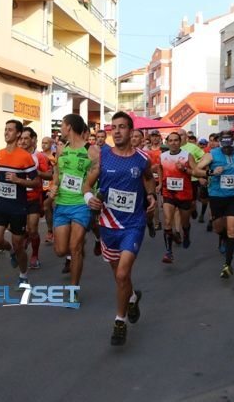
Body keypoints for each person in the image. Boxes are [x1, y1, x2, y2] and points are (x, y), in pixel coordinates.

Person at [84, 111, 156, 346]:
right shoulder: (103, 156)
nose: (116, 131)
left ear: (131, 131)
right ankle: (132, 297)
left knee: (123, 274)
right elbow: (87, 184)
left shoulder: (142, 158)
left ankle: (119, 321)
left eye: (122, 127)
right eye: (113, 127)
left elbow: (148, 178)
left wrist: (151, 194)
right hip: (107, 225)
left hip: (133, 224)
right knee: (119, 277)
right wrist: (88, 199)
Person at [193, 130, 234, 278]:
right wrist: (211, 173)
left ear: (233, 142)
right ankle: (222, 237)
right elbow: (196, 170)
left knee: (233, 229)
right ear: (220, 144)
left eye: (229, 146)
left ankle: (228, 264)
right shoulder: (212, 154)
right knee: (218, 227)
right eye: (224, 146)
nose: (227, 149)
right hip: (217, 196)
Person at [49, 114, 98, 292]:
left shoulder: (91, 151)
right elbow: (57, 172)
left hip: (80, 204)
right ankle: (78, 248)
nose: (60, 129)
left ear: (69, 127)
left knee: (74, 248)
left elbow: (97, 176)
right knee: (61, 250)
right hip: (62, 203)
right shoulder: (61, 149)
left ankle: (73, 290)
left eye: (61, 125)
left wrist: (91, 195)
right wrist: (54, 186)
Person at [0, 120, 40, 287]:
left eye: (10, 130)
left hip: (18, 207)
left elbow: (36, 182)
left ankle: (23, 274)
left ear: (18, 133)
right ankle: (10, 250)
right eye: (5, 129)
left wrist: (18, 180)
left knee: (19, 245)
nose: (6, 132)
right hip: (1, 204)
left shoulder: (25, 156)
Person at [158, 132, 196, 263]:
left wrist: (185, 169)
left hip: (184, 193)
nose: (173, 143)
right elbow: (160, 169)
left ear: (180, 142)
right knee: (167, 221)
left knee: (185, 222)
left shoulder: (187, 156)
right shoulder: (163, 156)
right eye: (171, 140)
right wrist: (160, 184)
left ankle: (186, 233)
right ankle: (168, 252)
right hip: (168, 193)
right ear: (167, 142)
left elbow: (195, 171)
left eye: (176, 140)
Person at [19, 127, 52, 269]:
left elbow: (50, 175)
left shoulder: (40, 157)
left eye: (26, 138)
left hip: (34, 197)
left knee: (33, 229)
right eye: (21, 138)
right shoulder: (16, 155)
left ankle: (34, 255)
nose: (23, 141)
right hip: (18, 198)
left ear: (33, 140)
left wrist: (36, 172)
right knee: (18, 229)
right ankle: (25, 236)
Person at [41, 136, 57, 244]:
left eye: (46, 143)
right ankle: (50, 230)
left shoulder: (55, 156)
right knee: (47, 209)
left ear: (51, 144)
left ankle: (56, 231)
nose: (43, 145)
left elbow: (57, 172)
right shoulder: (39, 155)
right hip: (42, 187)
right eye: (42, 142)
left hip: (53, 187)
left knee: (53, 207)